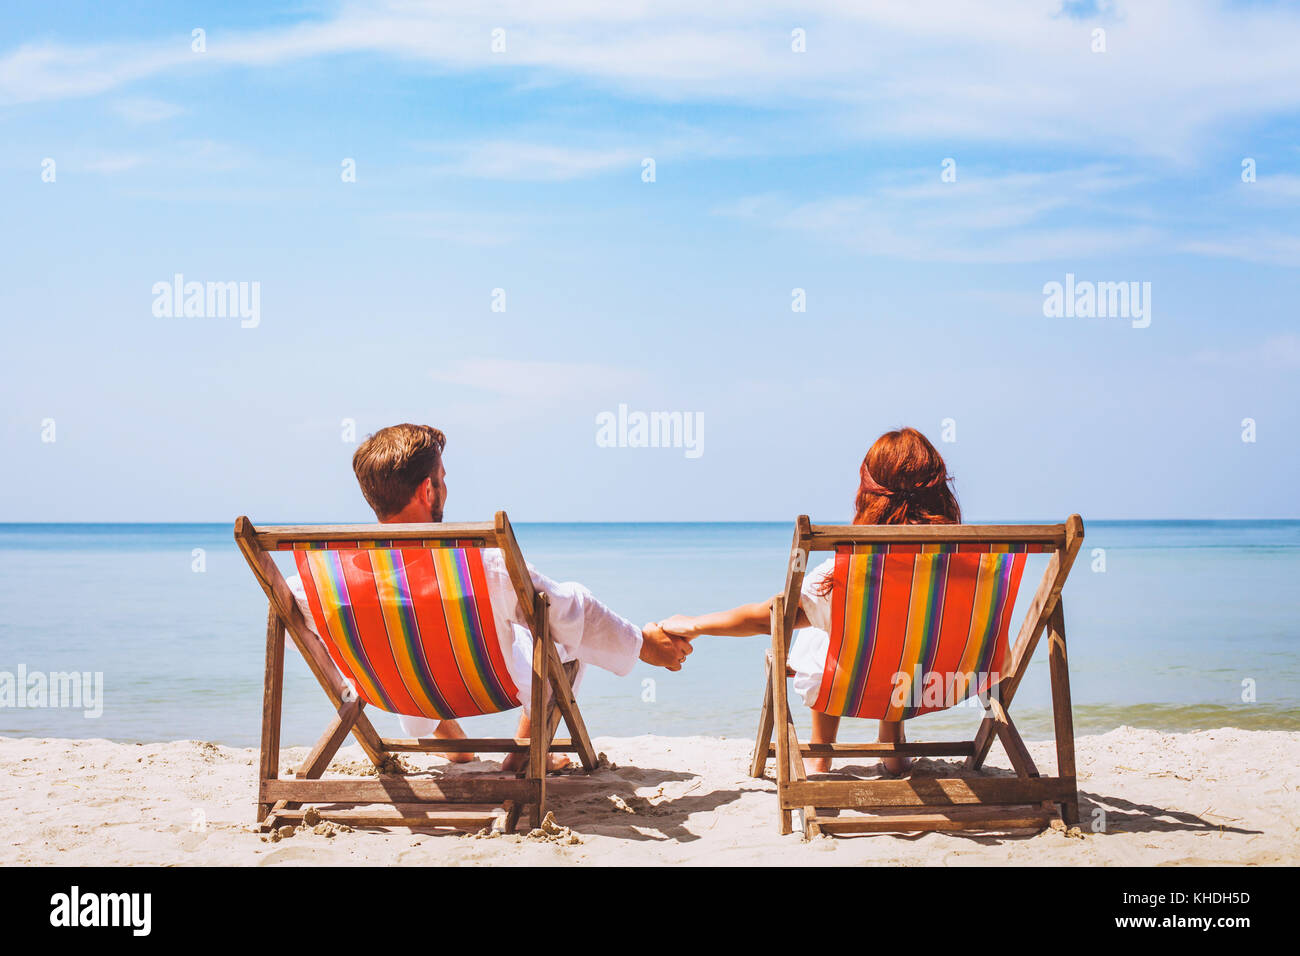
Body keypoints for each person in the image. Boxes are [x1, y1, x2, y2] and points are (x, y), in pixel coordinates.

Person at [287, 423, 692, 771]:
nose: (446, 486)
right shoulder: (480, 570)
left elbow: (316, 650)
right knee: (555, 621)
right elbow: (572, 612)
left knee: (408, 645)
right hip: (484, 690)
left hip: (397, 694)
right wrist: (642, 645)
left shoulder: (313, 587)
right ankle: (522, 754)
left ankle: (459, 750)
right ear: (428, 490)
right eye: (442, 478)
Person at [659, 427, 961, 775]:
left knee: (825, 631)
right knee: (897, 637)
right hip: (935, 679)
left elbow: (771, 617)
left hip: (852, 681)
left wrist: (695, 625)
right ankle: (893, 744)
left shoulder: (851, 574)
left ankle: (821, 753)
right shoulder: (968, 567)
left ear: (871, 493)